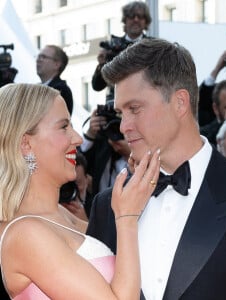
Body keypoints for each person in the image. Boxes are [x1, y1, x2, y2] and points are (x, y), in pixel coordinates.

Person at [87, 38, 226, 299]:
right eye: (121, 112)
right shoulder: (108, 206)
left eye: (135, 109)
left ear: (180, 103)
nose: (123, 126)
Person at [0, 83, 160, 299]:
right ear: (26, 144)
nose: (77, 138)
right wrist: (126, 218)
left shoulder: (62, 215)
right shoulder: (25, 234)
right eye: (63, 127)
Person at [91, 1, 152, 101]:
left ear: (146, 21)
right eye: (132, 16)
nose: (136, 19)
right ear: (125, 20)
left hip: (144, 100)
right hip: (117, 103)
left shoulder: (152, 46)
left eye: (140, 16)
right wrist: (101, 65)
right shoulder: (112, 46)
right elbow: (97, 86)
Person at [36, 44, 73, 115]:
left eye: (43, 57)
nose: (38, 60)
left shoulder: (60, 90)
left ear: (57, 64)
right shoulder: (38, 88)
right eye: (38, 57)